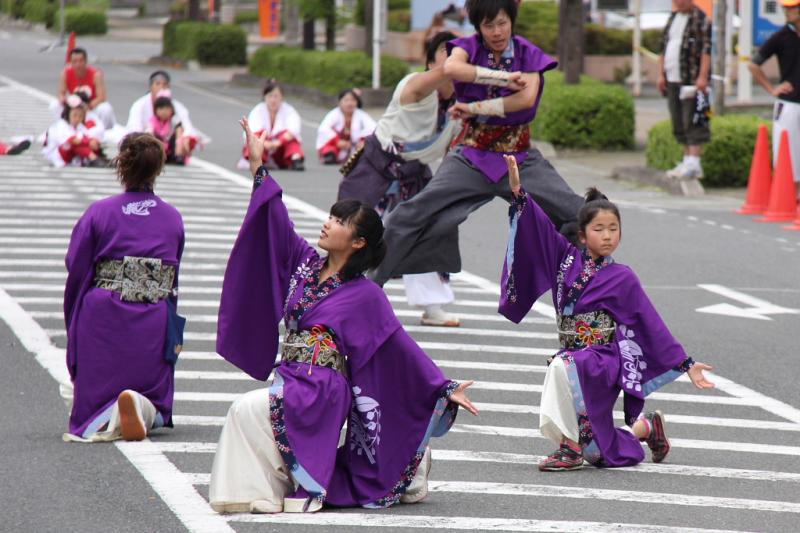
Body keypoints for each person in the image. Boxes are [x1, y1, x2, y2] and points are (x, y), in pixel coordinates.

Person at [208, 118, 478, 514]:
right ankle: (264, 490)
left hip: (323, 386)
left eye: (338, 221)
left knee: (247, 409)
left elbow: (398, 346)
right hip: (292, 375)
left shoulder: (365, 295)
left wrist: (442, 386)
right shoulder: (304, 262)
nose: (327, 223)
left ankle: (294, 488)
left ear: (358, 242)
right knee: (248, 412)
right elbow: (275, 220)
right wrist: (257, 165)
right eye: (331, 216)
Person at [499, 154, 715, 471]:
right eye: (599, 229)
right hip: (577, 358)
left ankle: (569, 448)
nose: (607, 235)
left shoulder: (623, 277)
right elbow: (539, 227)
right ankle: (647, 427)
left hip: (602, 360)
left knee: (561, 365)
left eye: (613, 228)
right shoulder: (563, 258)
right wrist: (519, 194)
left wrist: (687, 364)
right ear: (582, 235)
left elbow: (649, 323)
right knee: (601, 452)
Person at [370, 0, 584, 288]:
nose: (497, 31)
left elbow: (525, 99)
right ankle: (368, 287)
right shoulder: (467, 48)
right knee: (410, 214)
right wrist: (504, 78)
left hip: (520, 160)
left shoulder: (528, 53)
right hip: (471, 158)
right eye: (488, 25)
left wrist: (473, 108)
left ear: (512, 20)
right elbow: (453, 68)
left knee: (582, 214)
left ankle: (586, 287)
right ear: (478, 27)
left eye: (502, 23)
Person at [62, 132, 185, 443]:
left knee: (92, 400)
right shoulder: (172, 219)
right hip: (151, 320)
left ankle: (110, 413)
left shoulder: (99, 212)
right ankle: (138, 406)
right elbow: (172, 281)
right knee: (155, 401)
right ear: (158, 169)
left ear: (122, 165)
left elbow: (76, 265)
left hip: (104, 318)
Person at [338, 31, 463, 327]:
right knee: (356, 234)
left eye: (461, 53)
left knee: (431, 231)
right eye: (447, 52)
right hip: (378, 169)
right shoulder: (414, 85)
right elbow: (440, 75)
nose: (455, 57)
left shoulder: (461, 106)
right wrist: (458, 64)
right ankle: (336, 296)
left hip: (415, 174)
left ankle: (432, 306)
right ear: (430, 62)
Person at [748, 0, 800, 196]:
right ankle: (790, 196)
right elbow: (754, 64)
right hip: (789, 103)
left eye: (792, 8)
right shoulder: (781, 37)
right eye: (785, 8)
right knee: (787, 152)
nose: (787, 11)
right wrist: (771, 89)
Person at [656, 0, 712, 180]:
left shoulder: (701, 19)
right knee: (678, 120)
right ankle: (687, 160)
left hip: (692, 79)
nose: (678, 3)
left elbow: (706, 50)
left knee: (693, 119)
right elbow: (663, 48)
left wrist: (703, 76)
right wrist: (661, 74)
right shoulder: (673, 18)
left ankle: (694, 163)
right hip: (672, 77)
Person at [126, 70, 207, 147]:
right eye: (158, 84)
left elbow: (187, 125)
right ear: (151, 87)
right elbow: (134, 127)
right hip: (146, 140)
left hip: (169, 141)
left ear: (168, 87)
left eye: (164, 84)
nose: (161, 87)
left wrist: (186, 138)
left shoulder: (176, 106)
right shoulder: (139, 105)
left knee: (183, 133)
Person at [238, 79, 305, 171]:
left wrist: (278, 142)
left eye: (276, 96)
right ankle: (257, 161)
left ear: (281, 97)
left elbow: (293, 130)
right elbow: (252, 132)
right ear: (265, 97)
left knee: (291, 140)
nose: (273, 100)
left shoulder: (289, 111)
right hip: (262, 146)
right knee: (255, 140)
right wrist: (264, 143)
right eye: (270, 96)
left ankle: (295, 159)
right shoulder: (258, 110)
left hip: (280, 148)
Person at [49, 47, 118, 131]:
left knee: (105, 108)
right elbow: (61, 93)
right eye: (74, 61)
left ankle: (103, 131)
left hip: (92, 107)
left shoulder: (96, 74)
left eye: (80, 61)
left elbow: (101, 97)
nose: (78, 64)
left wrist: (88, 106)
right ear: (71, 62)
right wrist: (65, 101)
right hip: (75, 106)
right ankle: (63, 129)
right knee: (55, 104)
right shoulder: (66, 73)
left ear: (85, 61)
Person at [43, 93, 107, 168]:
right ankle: (94, 159)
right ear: (68, 114)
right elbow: (73, 140)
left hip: (72, 155)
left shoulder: (80, 126)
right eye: (75, 115)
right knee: (75, 143)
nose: (77, 118)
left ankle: (100, 159)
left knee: (91, 143)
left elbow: (87, 136)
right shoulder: (62, 125)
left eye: (80, 116)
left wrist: (93, 141)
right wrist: (88, 141)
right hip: (57, 155)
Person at [316, 89, 376, 165]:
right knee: (330, 149)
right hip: (336, 145)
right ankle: (329, 155)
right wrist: (337, 141)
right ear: (339, 102)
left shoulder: (361, 115)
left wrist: (364, 141)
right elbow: (324, 128)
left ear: (357, 102)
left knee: (367, 149)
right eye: (346, 100)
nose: (349, 103)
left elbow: (373, 128)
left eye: (353, 100)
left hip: (355, 146)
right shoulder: (333, 114)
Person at [145, 91, 197, 165]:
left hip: (171, 149)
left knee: (180, 131)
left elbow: (180, 135)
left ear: (172, 110)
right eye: (161, 108)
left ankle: (178, 156)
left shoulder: (174, 120)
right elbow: (149, 130)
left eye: (167, 109)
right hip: (159, 148)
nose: (164, 111)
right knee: (150, 135)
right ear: (155, 110)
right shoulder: (153, 120)